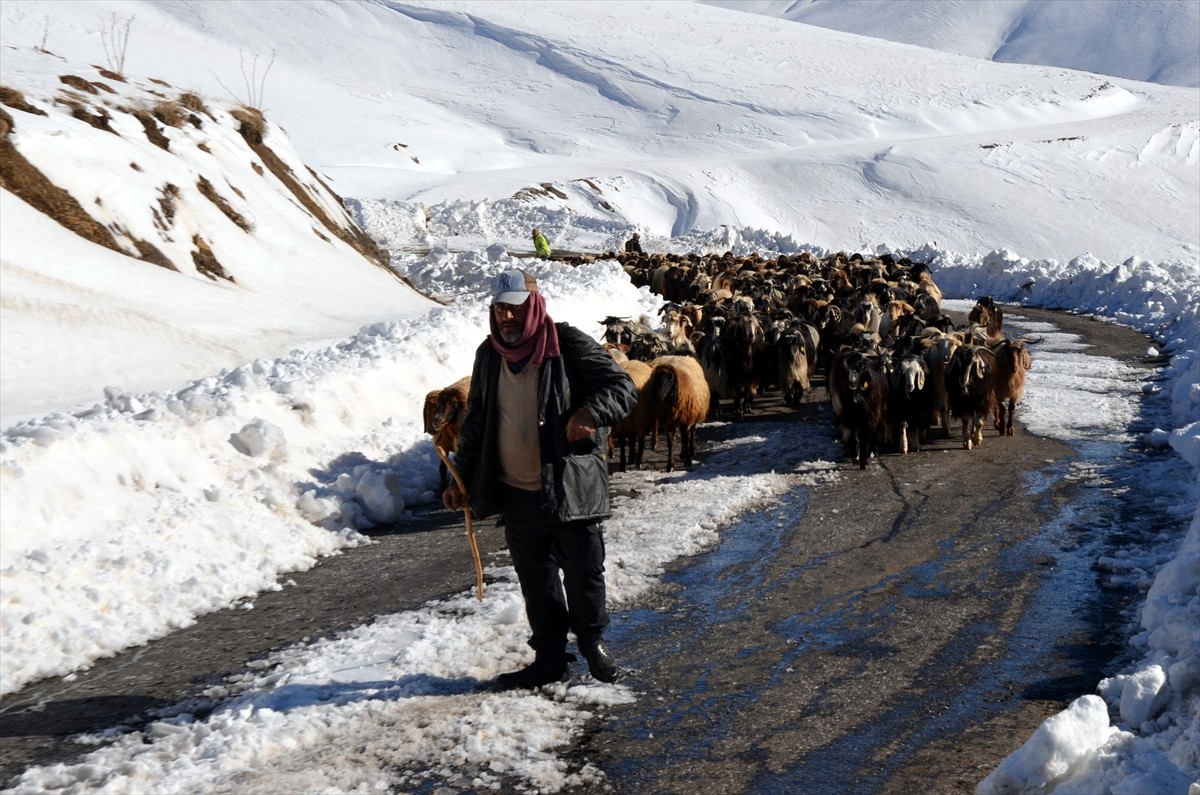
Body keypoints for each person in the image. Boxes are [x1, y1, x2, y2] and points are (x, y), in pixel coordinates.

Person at [443, 268, 637, 688]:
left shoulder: (567, 345)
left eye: (513, 309)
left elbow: (622, 388)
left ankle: (591, 642)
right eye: (498, 310)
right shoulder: (489, 354)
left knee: (584, 572)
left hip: (570, 487)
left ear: (532, 306)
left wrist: (590, 413)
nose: (505, 319)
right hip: (517, 494)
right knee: (537, 580)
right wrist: (461, 479)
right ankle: (549, 657)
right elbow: (476, 422)